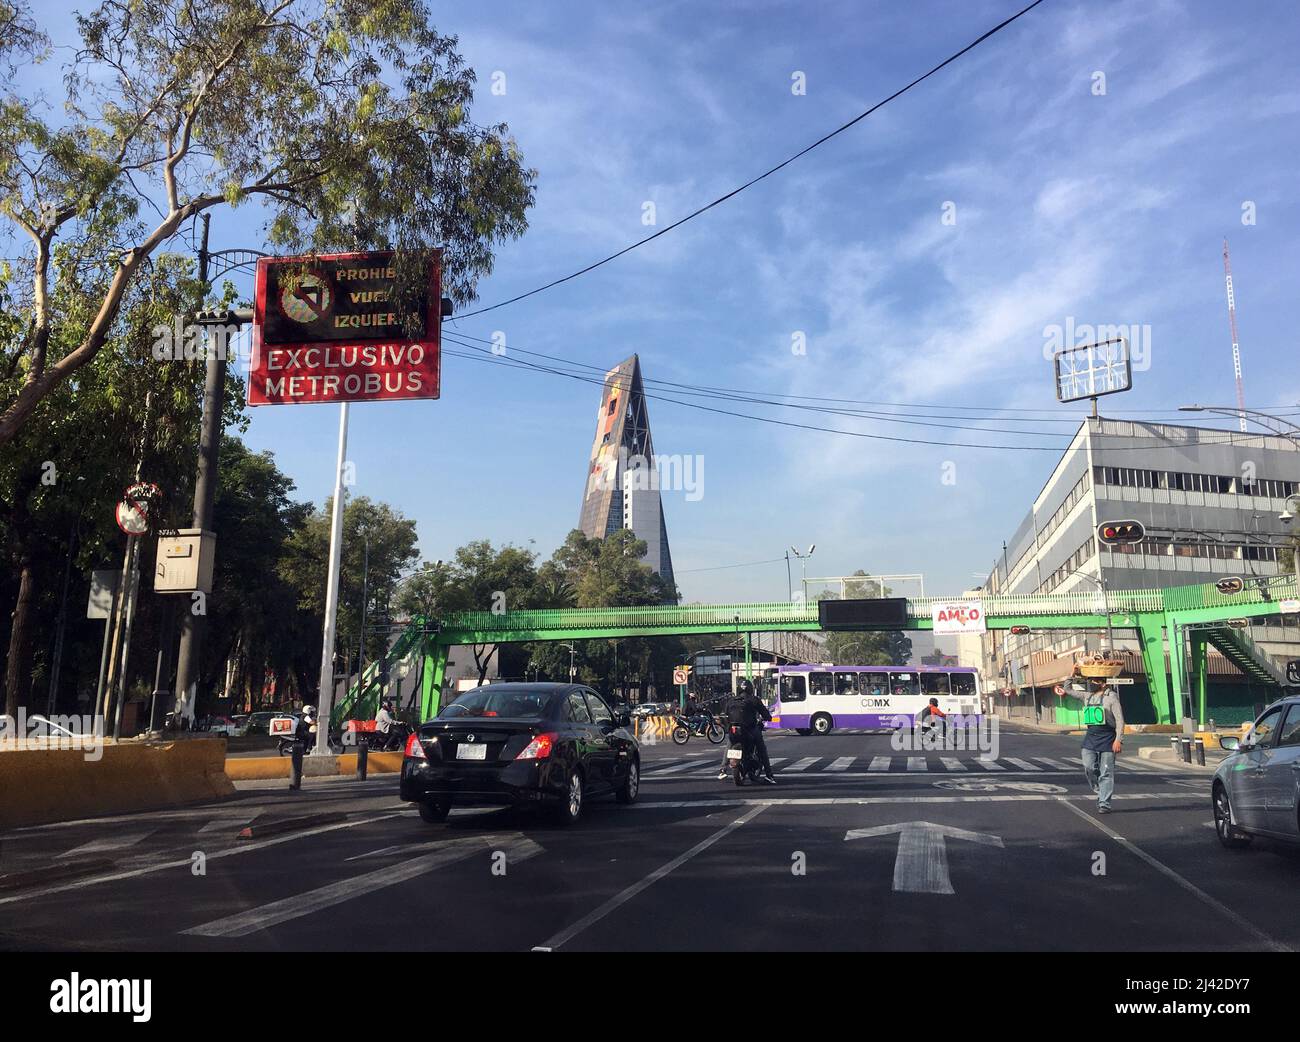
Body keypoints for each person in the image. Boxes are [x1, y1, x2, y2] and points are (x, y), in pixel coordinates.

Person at [717, 678, 775, 783]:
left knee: (729, 745)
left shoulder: (731, 701)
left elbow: (724, 715)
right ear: (750, 689)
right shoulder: (754, 700)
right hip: (750, 729)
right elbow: (766, 715)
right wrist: (767, 718)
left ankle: (722, 769)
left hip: (734, 730)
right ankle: (769, 775)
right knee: (762, 749)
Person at [1080, 677, 1125, 813]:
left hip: (1108, 738)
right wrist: (1072, 673)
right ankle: (1100, 790)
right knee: (1089, 767)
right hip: (1090, 738)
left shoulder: (1111, 698)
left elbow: (1120, 721)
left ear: (1103, 683)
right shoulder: (1087, 696)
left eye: (1096, 681)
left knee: (1106, 772)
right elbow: (1068, 690)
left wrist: (1118, 740)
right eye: (1091, 681)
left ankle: (1104, 803)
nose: (1092, 684)